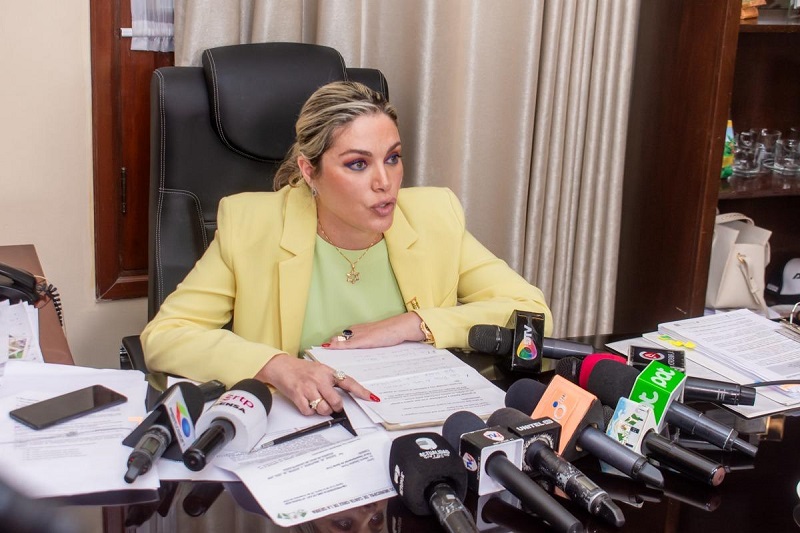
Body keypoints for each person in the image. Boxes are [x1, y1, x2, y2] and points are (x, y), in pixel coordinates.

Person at [141, 81, 552, 416]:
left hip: (408, 423)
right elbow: (164, 336)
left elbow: (532, 314)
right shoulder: (251, 226)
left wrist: (412, 324)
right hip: (304, 426)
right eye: (358, 163)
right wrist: (275, 366)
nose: (384, 182)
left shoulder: (434, 217)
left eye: (393, 158)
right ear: (309, 171)